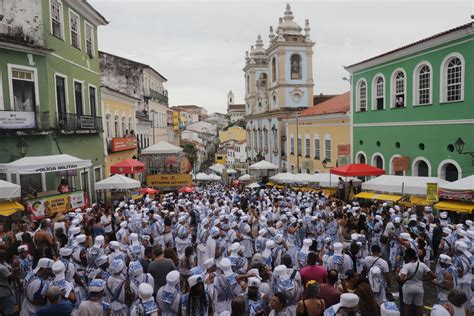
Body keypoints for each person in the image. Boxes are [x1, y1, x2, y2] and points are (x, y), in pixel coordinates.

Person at [398, 247, 436, 316]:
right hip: (419, 288)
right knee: (419, 307)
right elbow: (433, 276)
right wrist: (425, 280)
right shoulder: (422, 264)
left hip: (408, 288)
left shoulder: (406, 266)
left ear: (407, 256)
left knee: (407, 307)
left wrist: (397, 272)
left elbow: (401, 279)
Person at [0, 249, 16, 316]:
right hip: (5, 291)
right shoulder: (2, 268)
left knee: (3, 308)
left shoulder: (4, 263)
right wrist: (15, 269)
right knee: (9, 311)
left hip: (3, 290)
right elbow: (12, 277)